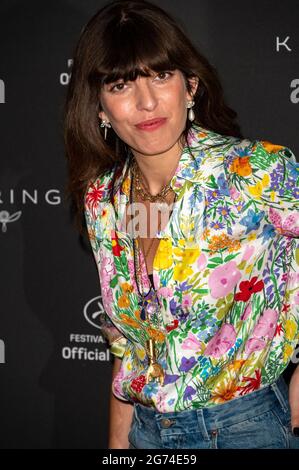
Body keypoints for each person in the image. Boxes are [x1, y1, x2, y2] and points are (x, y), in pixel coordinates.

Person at [64, 0, 299, 449]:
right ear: (99, 107)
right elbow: (127, 345)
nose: (146, 101)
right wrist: (118, 447)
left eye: (159, 76)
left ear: (190, 86)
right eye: (120, 84)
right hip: (147, 434)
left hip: (244, 429)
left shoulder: (253, 172)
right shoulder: (103, 199)